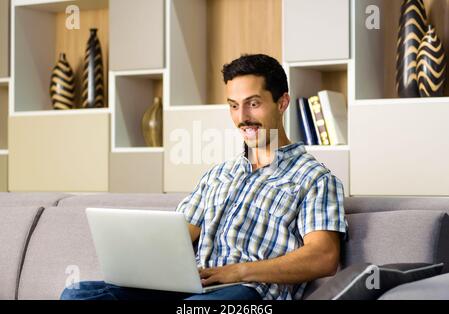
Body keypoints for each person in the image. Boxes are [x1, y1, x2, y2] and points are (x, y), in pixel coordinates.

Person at [60, 54, 347, 301]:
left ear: (282, 103)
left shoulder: (315, 179)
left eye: (253, 103)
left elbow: (323, 257)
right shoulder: (218, 175)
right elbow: (176, 238)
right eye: (233, 106)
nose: (242, 117)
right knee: (78, 294)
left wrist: (239, 270)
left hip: (249, 291)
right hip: (195, 287)